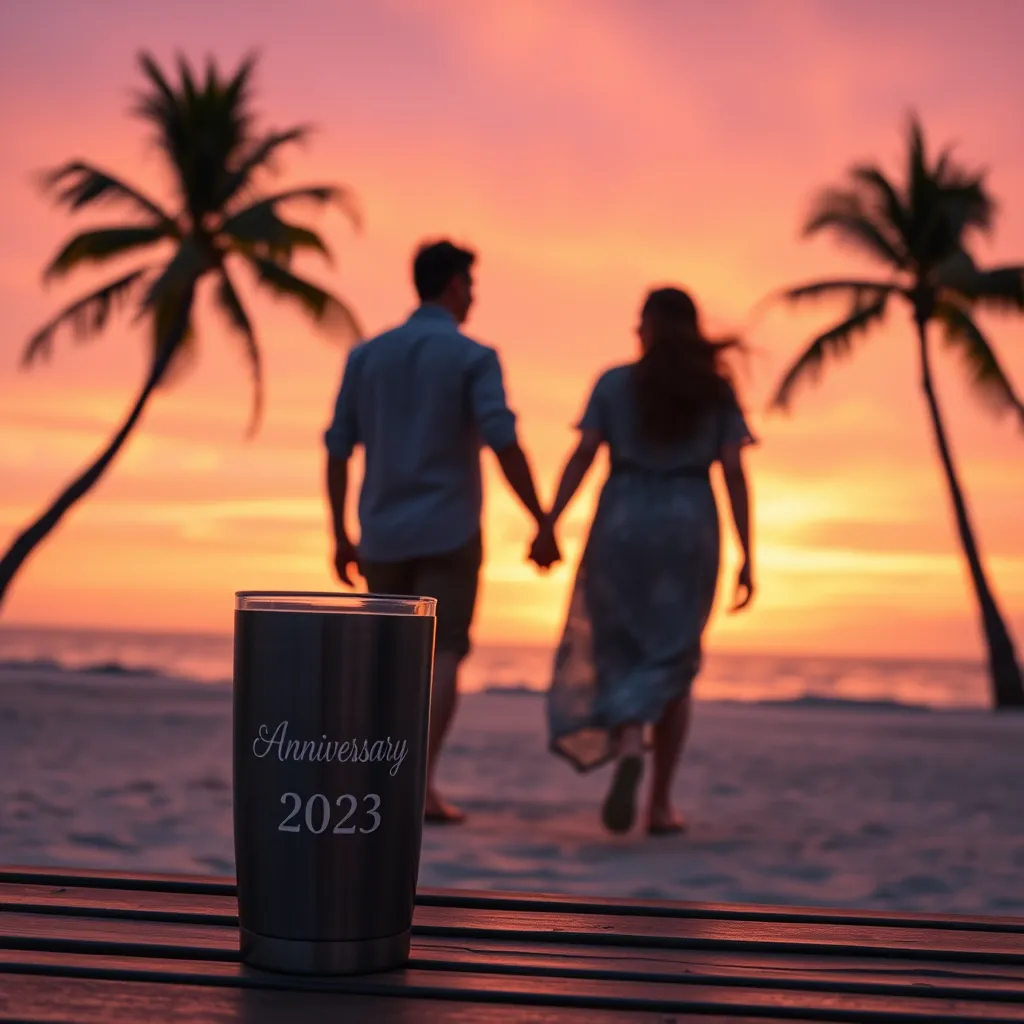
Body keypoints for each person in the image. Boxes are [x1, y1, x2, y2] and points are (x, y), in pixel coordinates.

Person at [324, 240, 550, 825]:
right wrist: (541, 518)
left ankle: (380, 775)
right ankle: (419, 787)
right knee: (445, 650)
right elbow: (502, 438)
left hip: (382, 531)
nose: (472, 295)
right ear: (454, 285)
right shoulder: (473, 356)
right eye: (470, 284)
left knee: (388, 658)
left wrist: (340, 533)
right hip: (448, 528)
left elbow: (338, 447)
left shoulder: (367, 355)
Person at [530, 286, 755, 836]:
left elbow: (583, 454)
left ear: (648, 329)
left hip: (623, 519)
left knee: (619, 644)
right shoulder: (715, 392)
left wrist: (549, 521)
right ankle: (659, 804)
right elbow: (732, 471)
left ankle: (630, 740)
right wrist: (749, 554)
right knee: (675, 656)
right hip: (689, 522)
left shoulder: (614, 384)